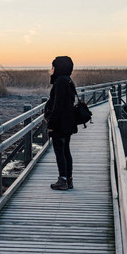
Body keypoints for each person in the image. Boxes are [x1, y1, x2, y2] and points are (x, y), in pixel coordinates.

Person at [43, 56, 78, 190]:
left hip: (60, 123)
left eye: (53, 67)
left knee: (60, 151)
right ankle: (68, 180)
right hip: (68, 122)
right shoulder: (67, 80)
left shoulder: (60, 82)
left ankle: (62, 180)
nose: (52, 70)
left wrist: (51, 124)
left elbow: (58, 105)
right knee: (66, 151)